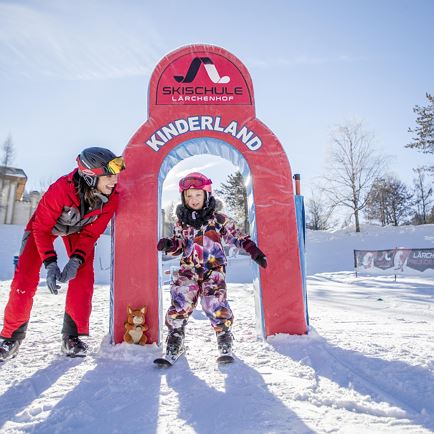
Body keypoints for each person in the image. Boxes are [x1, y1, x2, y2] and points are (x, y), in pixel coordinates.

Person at [0, 147, 125, 361]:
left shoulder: (112, 198)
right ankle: (11, 337)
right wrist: (50, 263)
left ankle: (71, 338)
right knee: (24, 278)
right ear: (90, 175)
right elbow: (41, 229)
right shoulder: (61, 189)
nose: (115, 181)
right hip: (43, 228)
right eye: (109, 176)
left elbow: (91, 234)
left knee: (83, 276)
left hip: (78, 231)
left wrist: (75, 261)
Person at [157, 172, 267, 360]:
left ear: (206, 195)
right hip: (188, 269)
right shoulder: (181, 222)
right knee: (181, 300)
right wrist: (170, 245)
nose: (193, 199)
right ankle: (176, 337)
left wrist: (252, 249)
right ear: (183, 197)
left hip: (213, 270)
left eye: (198, 195)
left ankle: (224, 337)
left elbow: (236, 236)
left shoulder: (218, 219)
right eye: (189, 196)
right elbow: (180, 244)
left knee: (214, 302)